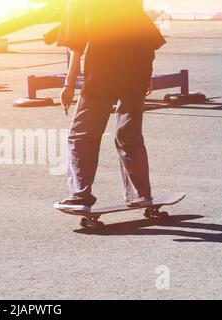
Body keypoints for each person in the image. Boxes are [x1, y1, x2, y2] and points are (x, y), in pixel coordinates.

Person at [54, 0, 166, 212]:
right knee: (129, 136)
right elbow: (143, 30)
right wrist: (147, 73)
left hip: (104, 72)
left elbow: (76, 42)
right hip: (137, 68)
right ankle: (141, 195)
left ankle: (80, 196)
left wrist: (69, 83)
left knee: (83, 134)